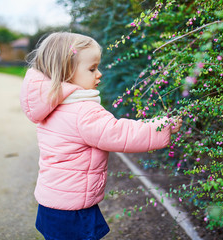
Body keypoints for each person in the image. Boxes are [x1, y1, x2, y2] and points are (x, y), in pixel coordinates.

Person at [19, 32, 182, 240]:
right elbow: (120, 134)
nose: (99, 74)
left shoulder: (51, 105)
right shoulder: (82, 111)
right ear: (66, 71)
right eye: (92, 68)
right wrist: (161, 127)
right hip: (73, 209)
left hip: (51, 203)